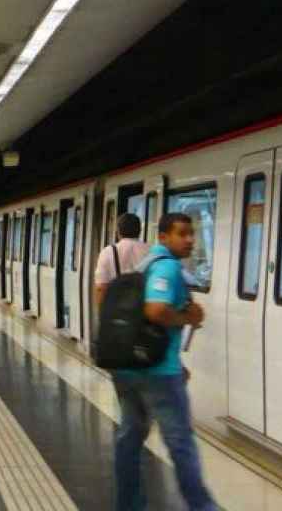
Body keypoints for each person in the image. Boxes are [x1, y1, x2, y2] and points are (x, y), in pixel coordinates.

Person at [111, 213, 214, 511]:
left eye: (191, 233)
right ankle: (203, 507)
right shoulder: (167, 267)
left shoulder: (145, 265)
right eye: (182, 234)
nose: (190, 239)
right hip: (157, 375)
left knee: (129, 439)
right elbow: (155, 311)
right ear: (163, 237)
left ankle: (128, 506)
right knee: (181, 444)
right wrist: (187, 317)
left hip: (130, 368)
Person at [94, 213, 150, 309]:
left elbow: (101, 288)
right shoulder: (151, 250)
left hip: (118, 310)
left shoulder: (108, 252)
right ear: (140, 231)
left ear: (118, 231)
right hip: (144, 310)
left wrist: (103, 313)